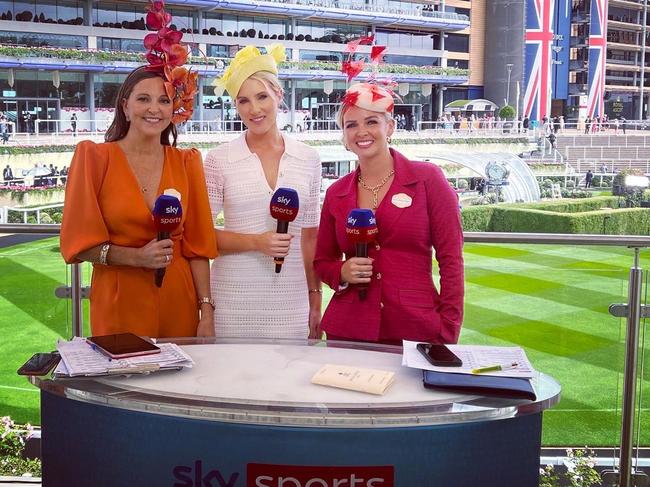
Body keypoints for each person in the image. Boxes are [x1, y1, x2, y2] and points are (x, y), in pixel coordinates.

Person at [60, 0, 217, 338]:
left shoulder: (188, 162)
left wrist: (206, 310)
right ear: (125, 107)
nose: (154, 109)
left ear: (174, 108)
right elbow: (77, 244)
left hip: (179, 300)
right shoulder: (93, 158)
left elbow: (198, 246)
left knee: (179, 390)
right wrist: (136, 258)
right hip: (119, 301)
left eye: (164, 100)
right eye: (143, 99)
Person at [314, 82, 464, 345]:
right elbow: (323, 261)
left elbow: (451, 259)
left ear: (390, 127)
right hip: (349, 330)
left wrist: (448, 326)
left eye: (371, 122)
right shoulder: (336, 193)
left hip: (417, 328)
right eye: (351, 125)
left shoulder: (427, 179)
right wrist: (342, 272)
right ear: (344, 136)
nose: (362, 131)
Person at [205, 44, 322, 339]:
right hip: (233, 302)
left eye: (262, 97)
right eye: (243, 101)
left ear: (278, 96)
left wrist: (315, 300)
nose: (254, 109)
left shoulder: (309, 158)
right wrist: (257, 242)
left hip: (291, 304)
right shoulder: (219, 159)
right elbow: (201, 236)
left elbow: (310, 237)